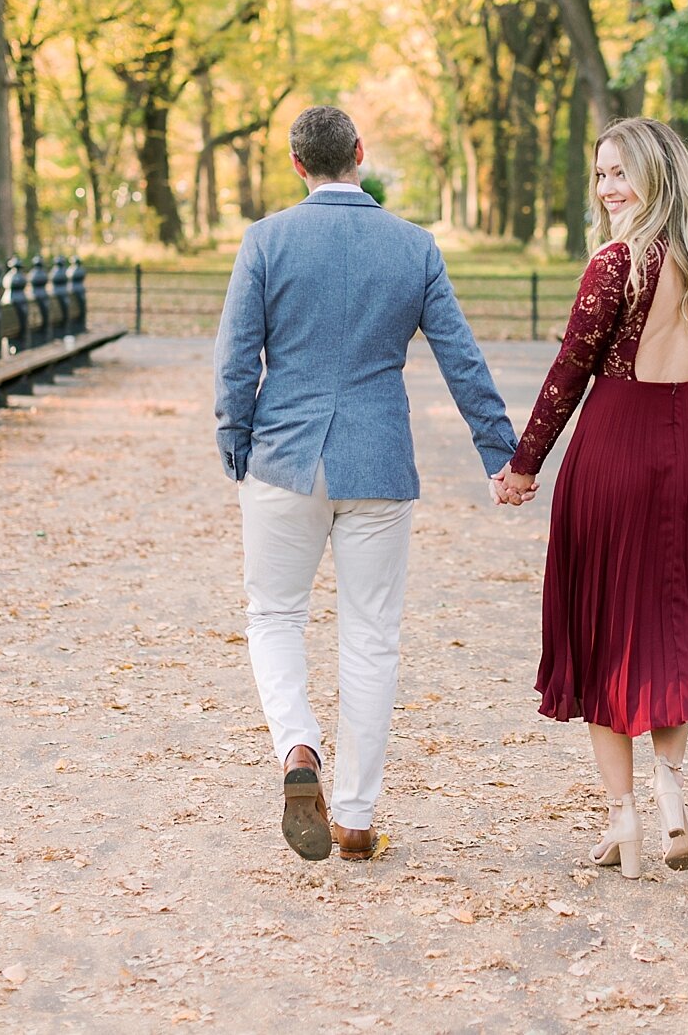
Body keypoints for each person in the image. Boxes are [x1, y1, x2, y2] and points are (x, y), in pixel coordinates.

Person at [214, 106, 520, 862]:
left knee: (275, 615)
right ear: (359, 154)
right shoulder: (412, 247)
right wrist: (501, 453)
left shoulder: (267, 240)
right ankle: (352, 816)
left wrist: (235, 442)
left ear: (296, 164)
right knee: (372, 637)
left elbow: (234, 360)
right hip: (378, 462)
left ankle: (296, 751)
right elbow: (460, 358)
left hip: (283, 457)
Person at [491, 117, 688, 880]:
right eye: (600, 174)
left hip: (616, 451)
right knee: (672, 628)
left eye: (620, 174)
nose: (607, 189)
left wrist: (522, 465)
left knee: (604, 628)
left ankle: (625, 822)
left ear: (656, 178)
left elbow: (569, 371)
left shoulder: (617, 263)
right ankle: (671, 799)